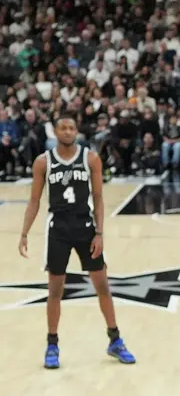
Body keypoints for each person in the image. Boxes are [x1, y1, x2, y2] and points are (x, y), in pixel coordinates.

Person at [17, 116, 136, 369]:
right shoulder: (43, 162)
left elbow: (100, 198)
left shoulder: (91, 158)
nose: (68, 131)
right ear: (56, 131)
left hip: (86, 228)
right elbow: (35, 201)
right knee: (55, 291)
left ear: (77, 132)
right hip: (58, 229)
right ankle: (52, 344)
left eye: (72, 128)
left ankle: (115, 340)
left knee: (102, 285)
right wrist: (24, 233)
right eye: (63, 127)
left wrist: (100, 233)